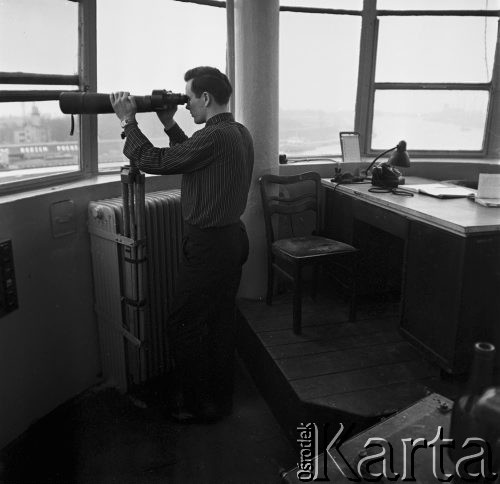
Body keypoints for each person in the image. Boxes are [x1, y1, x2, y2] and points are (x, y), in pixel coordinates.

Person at [110, 66, 254, 422]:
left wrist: (129, 122)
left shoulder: (216, 137)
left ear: (205, 97)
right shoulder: (237, 132)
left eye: (188, 97)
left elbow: (156, 160)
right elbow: (192, 154)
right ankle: (218, 400)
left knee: (182, 324)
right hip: (230, 241)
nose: (186, 104)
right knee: (219, 322)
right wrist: (169, 123)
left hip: (209, 247)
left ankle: (194, 405)